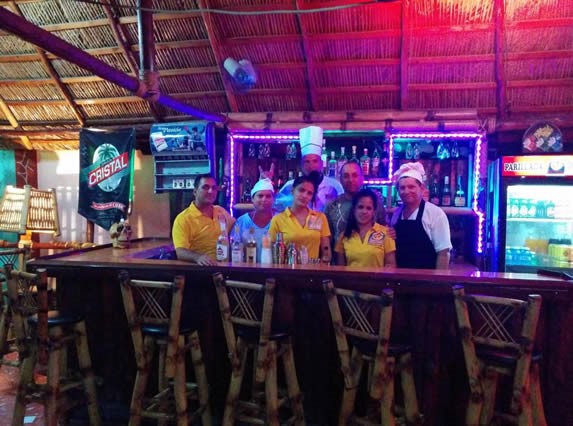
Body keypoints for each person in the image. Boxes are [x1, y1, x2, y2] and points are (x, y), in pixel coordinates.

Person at [389, 162, 452, 269]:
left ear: (421, 188)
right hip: (401, 278)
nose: (406, 191)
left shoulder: (435, 214)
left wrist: (439, 282)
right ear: (398, 191)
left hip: (427, 280)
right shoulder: (396, 214)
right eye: (402, 188)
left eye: (411, 187)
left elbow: (443, 254)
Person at [274, 126, 344, 212]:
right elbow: (275, 208)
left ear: (322, 163)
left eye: (315, 161)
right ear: (301, 165)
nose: (311, 166)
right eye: (307, 161)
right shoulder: (290, 186)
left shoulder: (334, 186)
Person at [324, 160, 387, 253]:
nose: (350, 180)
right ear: (340, 180)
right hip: (338, 263)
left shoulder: (375, 204)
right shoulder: (331, 206)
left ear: (362, 178)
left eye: (355, 175)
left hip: (370, 261)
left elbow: (384, 233)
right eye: (346, 176)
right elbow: (326, 238)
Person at [172, 174, 235, 265]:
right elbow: (180, 251)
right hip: (202, 270)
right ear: (195, 191)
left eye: (214, 188)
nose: (211, 191)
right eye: (205, 187)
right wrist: (197, 257)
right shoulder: (183, 219)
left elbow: (238, 227)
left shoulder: (220, 211)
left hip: (226, 267)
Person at [269, 175, 332, 262]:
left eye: (309, 193)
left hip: (314, 272)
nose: (305, 195)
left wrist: (323, 263)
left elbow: (326, 251)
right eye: (301, 190)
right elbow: (271, 253)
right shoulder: (278, 220)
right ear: (292, 191)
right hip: (287, 272)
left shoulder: (320, 218)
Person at [335, 189, 396, 268]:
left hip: (377, 280)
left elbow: (391, 265)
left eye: (369, 208)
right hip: (351, 280)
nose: (364, 211)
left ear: (374, 212)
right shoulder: (344, 236)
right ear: (354, 210)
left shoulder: (386, 233)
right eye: (360, 207)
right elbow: (340, 269)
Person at [232, 178, 275, 262]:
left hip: (275, 270)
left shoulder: (279, 220)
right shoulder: (241, 221)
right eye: (260, 196)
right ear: (252, 199)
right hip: (247, 269)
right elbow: (234, 245)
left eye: (268, 196)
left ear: (273, 199)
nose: (264, 199)